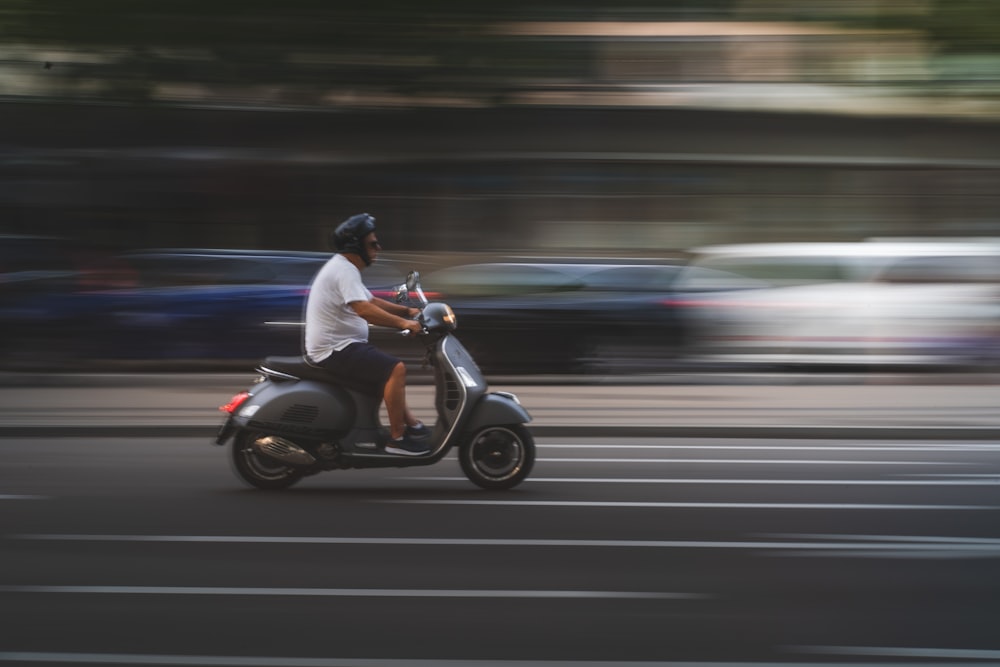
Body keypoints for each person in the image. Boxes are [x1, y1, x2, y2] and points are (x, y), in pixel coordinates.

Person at [303, 213, 430, 456]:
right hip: (335, 349)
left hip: (342, 345)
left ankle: (413, 425)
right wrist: (404, 322)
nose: (378, 247)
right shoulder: (344, 270)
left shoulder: (344, 268)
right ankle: (397, 439)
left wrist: (407, 310)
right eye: (372, 243)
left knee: (386, 370)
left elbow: (369, 300)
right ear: (355, 246)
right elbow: (364, 310)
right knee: (395, 369)